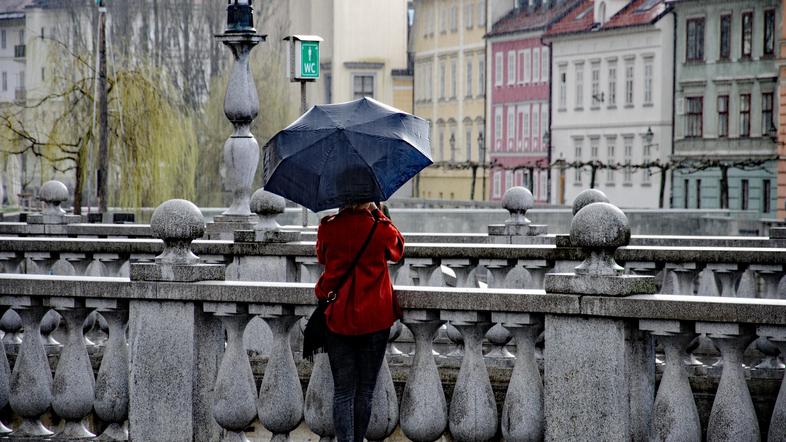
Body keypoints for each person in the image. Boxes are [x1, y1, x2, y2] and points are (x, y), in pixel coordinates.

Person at [315, 201, 405, 442]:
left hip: (338, 318)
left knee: (343, 391)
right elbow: (398, 250)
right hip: (375, 318)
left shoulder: (328, 227)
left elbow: (321, 256)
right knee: (365, 390)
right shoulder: (380, 228)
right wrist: (378, 211)